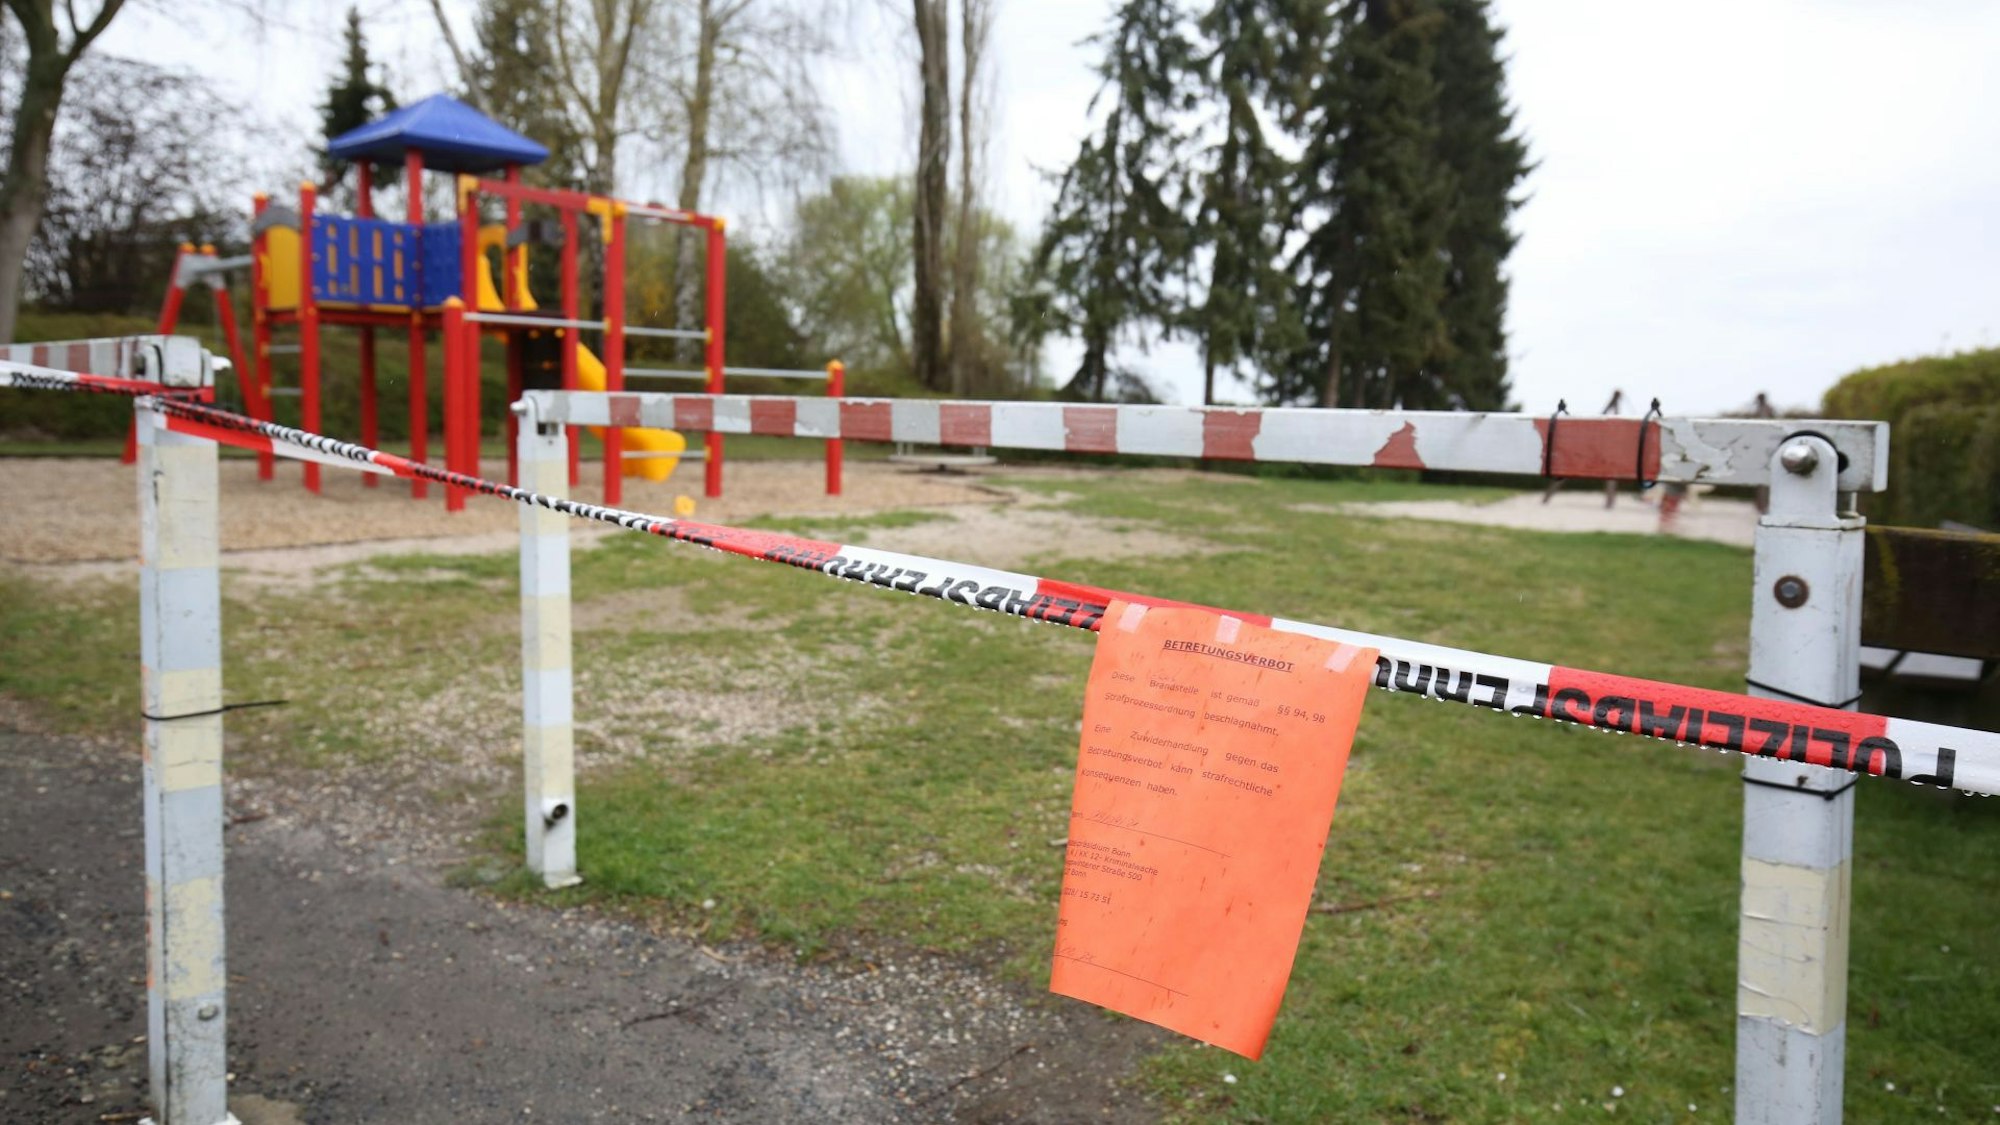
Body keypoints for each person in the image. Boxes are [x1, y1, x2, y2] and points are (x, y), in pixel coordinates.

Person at [1542, 389, 1624, 508]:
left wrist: (1614, 402)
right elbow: (1606, 415)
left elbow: (1611, 416)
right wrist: (1614, 401)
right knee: (1565, 471)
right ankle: (1546, 498)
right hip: (1591, 451)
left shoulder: (1608, 428)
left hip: (1599, 452)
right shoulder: (1601, 426)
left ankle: (1609, 503)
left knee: (1610, 474)